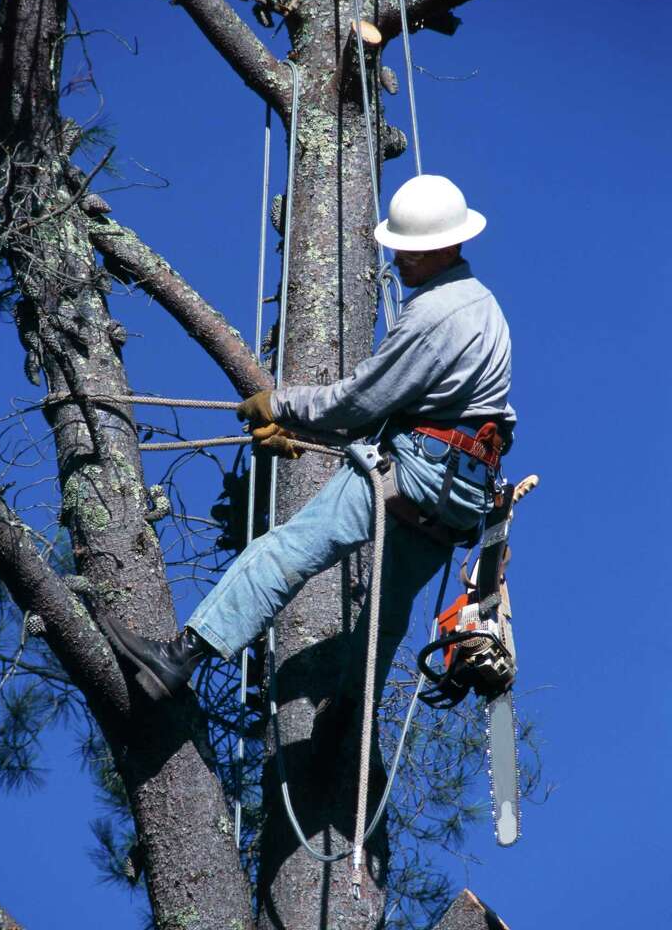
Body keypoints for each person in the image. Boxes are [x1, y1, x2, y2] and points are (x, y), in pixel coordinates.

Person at [104, 175, 516, 703]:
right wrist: (305, 430)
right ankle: (349, 750)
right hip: (459, 497)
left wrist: (281, 405)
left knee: (285, 550)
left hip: (416, 473)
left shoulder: (435, 314)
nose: (400, 262)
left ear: (448, 245)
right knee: (379, 634)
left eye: (412, 253)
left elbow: (361, 402)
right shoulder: (487, 311)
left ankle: (179, 656)